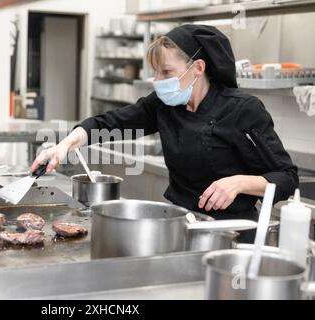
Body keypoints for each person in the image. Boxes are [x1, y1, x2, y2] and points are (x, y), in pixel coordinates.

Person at [30, 24, 298, 243]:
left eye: (166, 72)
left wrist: (239, 182)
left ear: (198, 68)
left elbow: (287, 178)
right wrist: (64, 145)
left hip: (233, 235)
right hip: (178, 225)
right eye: (156, 73)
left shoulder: (243, 109)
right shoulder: (164, 105)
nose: (157, 82)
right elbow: (108, 124)